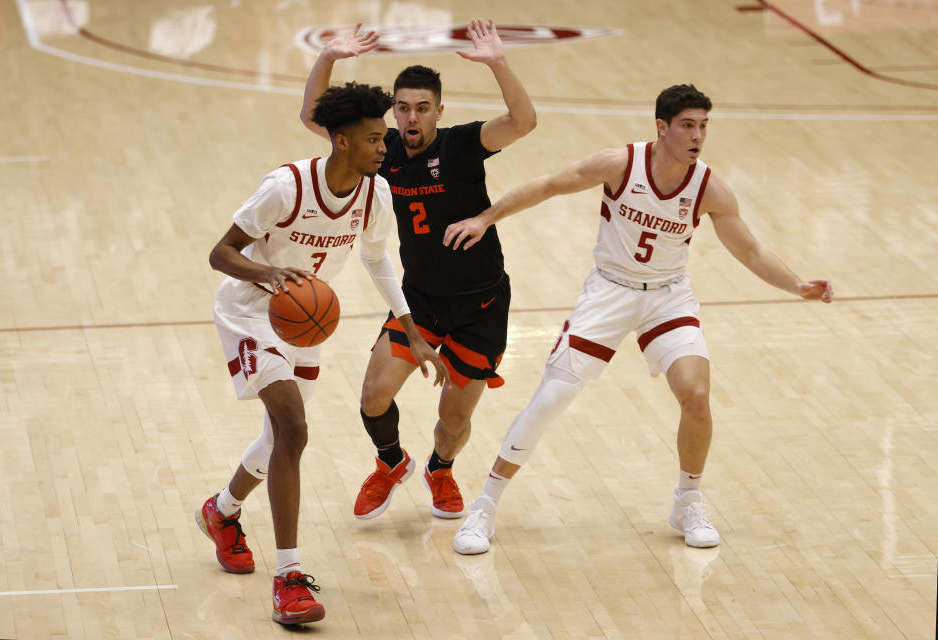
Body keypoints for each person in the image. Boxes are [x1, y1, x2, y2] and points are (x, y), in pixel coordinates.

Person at [444, 84, 834, 554]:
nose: (697, 136)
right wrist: (486, 218)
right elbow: (548, 185)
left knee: (697, 396)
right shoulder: (620, 164)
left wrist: (796, 285)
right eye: (688, 125)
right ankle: (485, 506)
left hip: (668, 297)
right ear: (662, 127)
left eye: (703, 126)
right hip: (610, 290)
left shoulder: (709, 187)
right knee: (551, 399)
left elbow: (749, 250)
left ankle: (687, 501)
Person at [195, 82, 446, 626]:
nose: (386, 148)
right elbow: (220, 253)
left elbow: (378, 262)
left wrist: (412, 329)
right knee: (293, 427)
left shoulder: (375, 195)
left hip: (302, 326)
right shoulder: (285, 187)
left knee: (277, 437)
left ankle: (223, 511)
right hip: (249, 311)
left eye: (385, 139)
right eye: (374, 139)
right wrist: (267, 273)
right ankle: (289, 577)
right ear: (340, 142)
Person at [299, 20, 537, 520]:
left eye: (422, 108)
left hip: (482, 303)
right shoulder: (377, 151)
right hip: (419, 300)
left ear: (438, 112)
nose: (411, 117)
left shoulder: (461, 144)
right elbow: (312, 118)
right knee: (373, 395)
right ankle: (391, 463)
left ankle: (440, 469)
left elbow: (523, 121)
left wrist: (498, 61)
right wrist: (327, 59)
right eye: (402, 107)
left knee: (453, 420)